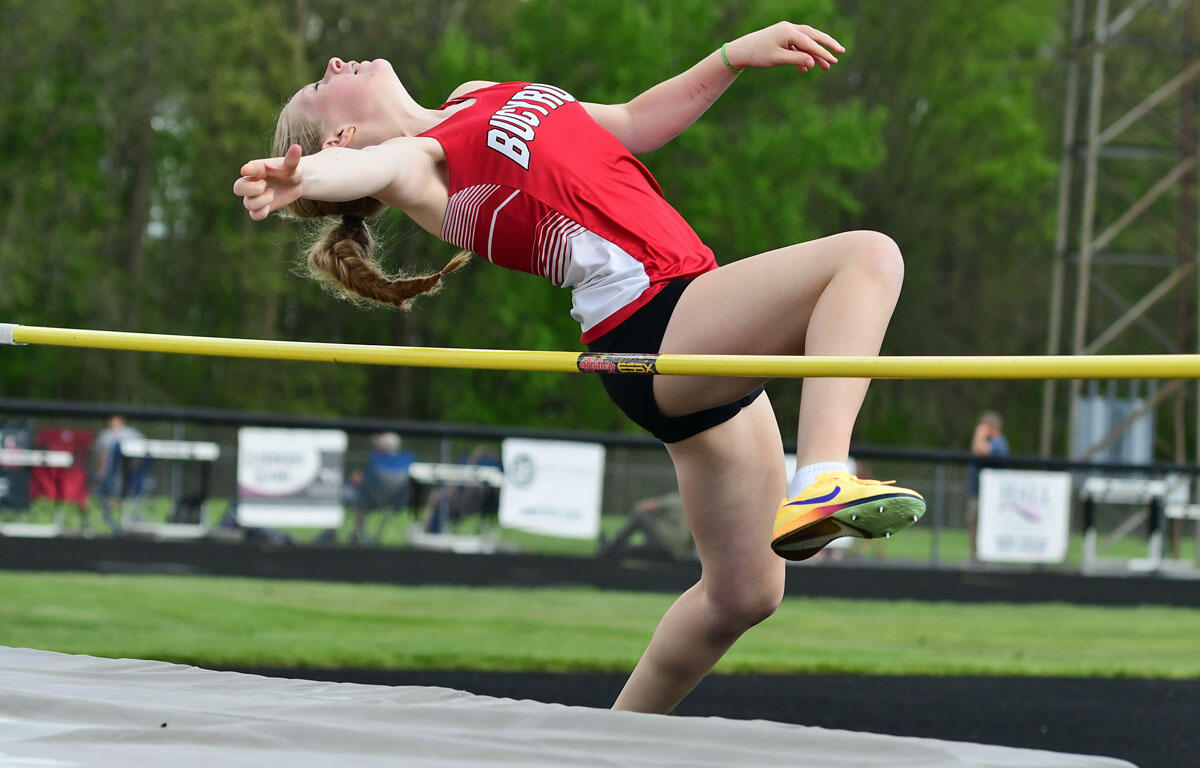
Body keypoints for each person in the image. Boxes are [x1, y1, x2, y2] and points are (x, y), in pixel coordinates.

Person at [234, 21, 925, 714]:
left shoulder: (479, 95)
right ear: (339, 137)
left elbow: (633, 122)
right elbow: (360, 174)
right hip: (652, 321)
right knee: (867, 257)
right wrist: (303, 177)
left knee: (743, 596)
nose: (332, 60)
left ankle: (608, 745)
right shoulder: (416, 162)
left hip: (688, 312)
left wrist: (730, 55)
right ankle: (825, 474)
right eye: (321, 84)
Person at [966, 410, 1009, 559]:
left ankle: (984, 555)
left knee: (985, 525)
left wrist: (979, 434)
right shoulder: (986, 440)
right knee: (973, 523)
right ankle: (975, 555)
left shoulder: (999, 443)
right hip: (976, 490)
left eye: (984, 425)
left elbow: (980, 449)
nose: (981, 428)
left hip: (990, 495)